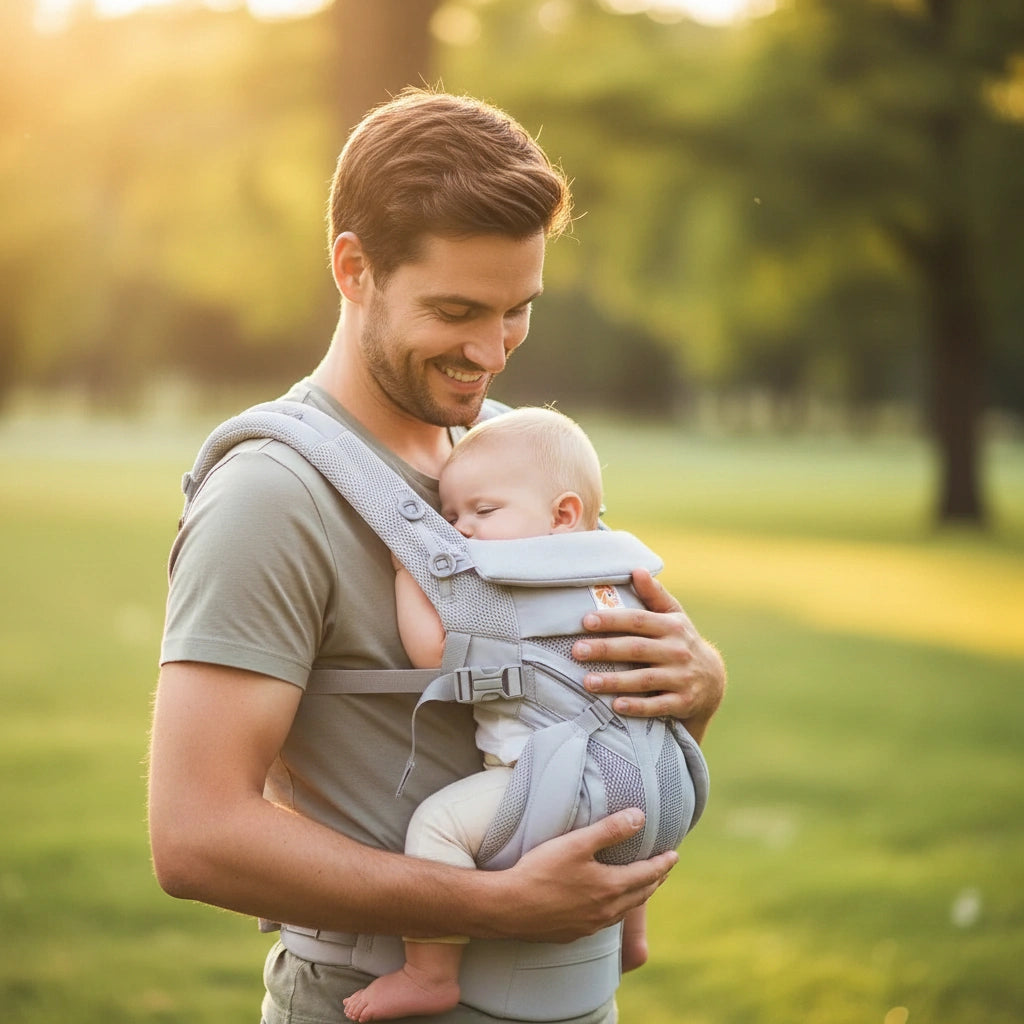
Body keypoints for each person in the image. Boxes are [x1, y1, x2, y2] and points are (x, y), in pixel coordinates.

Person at [148, 87, 726, 1024]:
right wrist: (492, 906)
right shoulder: (273, 494)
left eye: (517, 311)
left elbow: (581, 683)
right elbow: (195, 834)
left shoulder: (505, 454)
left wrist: (697, 681)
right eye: (457, 309)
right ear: (353, 269)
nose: (492, 352)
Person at [344, 406, 658, 1022]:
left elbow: (437, 655)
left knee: (436, 826)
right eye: (453, 516)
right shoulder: (614, 571)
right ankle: (631, 937)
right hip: (643, 778)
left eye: (483, 513)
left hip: (551, 780)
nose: (461, 531)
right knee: (627, 819)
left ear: (562, 515)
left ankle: (428, 972)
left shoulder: (518, 589)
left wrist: (411, 570)